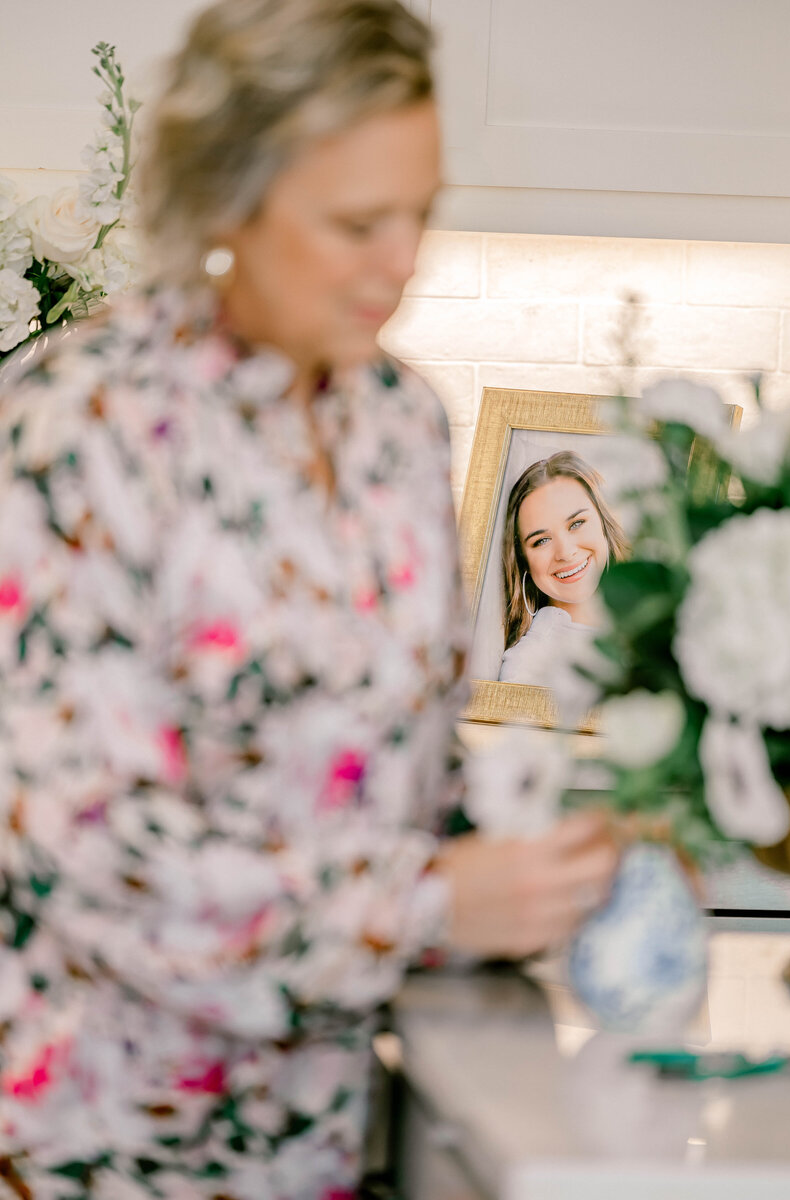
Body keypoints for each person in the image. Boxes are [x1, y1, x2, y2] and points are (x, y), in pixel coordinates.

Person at [0, 3, 619, 1195]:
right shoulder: (79, 428)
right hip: (101, 1141)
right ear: (227, 201)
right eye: (355, 223)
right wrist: (434, 902)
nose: (402, 262)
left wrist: (534, 859)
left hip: (323, 1129)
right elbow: (95, 854)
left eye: (419, 215)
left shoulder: (396, 422)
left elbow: (403, 773)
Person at [499, 451, 628, 685]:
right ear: (523, 560)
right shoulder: (527, 669)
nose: (566, 552)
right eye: (541, 541)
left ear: (603, 522)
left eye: (576, 523)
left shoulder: (656, 606)